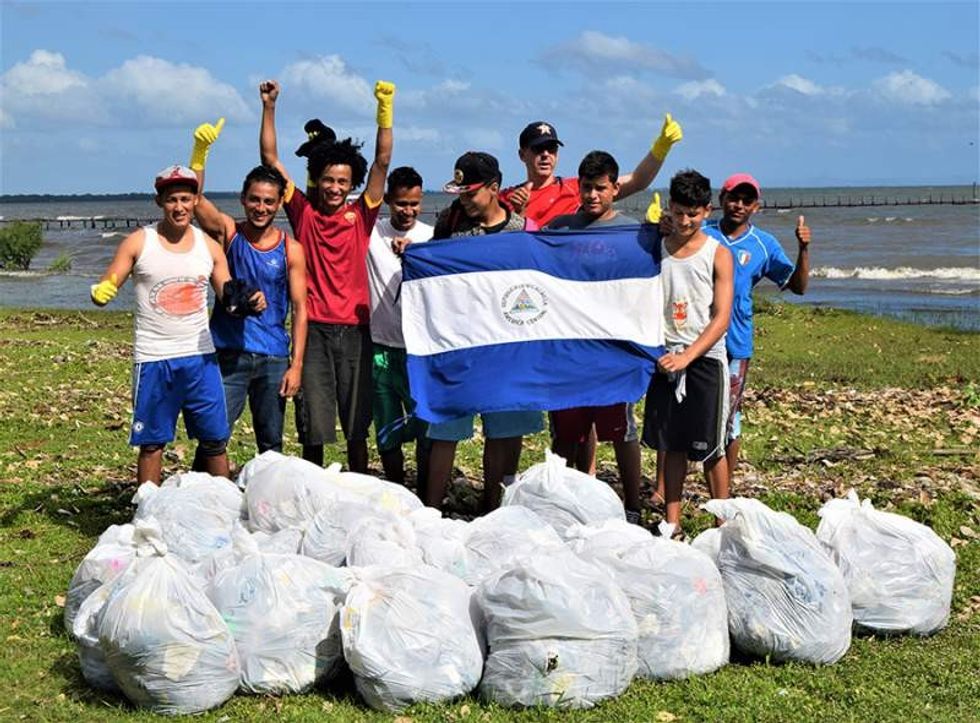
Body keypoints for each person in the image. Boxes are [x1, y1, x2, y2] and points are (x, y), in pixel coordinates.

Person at [500, 115, 683, 473]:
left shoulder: (578, 187)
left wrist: (660, 148)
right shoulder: (511, 198)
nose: (545, 156)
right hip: (549, 318)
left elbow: (637, 180)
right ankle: (551, 484)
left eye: (551, 149)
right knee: (557, 416)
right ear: (522, 154)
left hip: (599, 315)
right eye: (537, 150)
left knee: (606, 416)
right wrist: (514, 213)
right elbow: (497, 242)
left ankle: (593, 481)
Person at [89, 164, 266, 484]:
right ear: (160, 202)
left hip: (200, 358)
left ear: (196, 200)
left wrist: (249, 301)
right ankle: (146, 511)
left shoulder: (208, 247)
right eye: (172, 200)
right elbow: (110, 279)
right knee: (152, 443)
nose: (180, 207)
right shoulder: (139, 242)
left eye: (186, 199)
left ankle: (222, 508)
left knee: (215, 441)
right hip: (154, 358)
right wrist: (103, 291)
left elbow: (228, 294)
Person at [258, 78, 394, 472]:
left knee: (356, 425)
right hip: (314, 327)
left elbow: (383, 161)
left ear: (352, 184)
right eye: (329, 180)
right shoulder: (303, 211)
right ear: (319, 179)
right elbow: (270, 159)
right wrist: (269, 106)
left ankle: (360, 484)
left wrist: (384, 110)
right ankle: (311, 487)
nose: (335, 188)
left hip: (356, 328)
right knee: (314, 425)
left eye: (343, 181)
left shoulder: (362, 213)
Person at [425, 151, 543, 513]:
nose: (464, 199)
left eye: (470, 192)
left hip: (509, 348)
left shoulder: (524, 231)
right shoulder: (449, 224)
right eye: (459, 192)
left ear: (494, 189)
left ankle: (496, 507)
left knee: (506, 429)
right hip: (460, 346)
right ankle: (430, 508)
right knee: (446, 427)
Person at [186, 117, 309, 459]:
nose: (261, 208)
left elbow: (301, 310)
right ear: (243, 199)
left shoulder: (291, 249)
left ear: (280, 203)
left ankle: (266, 508)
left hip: (272, 356)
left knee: (271, 446)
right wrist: (199, 156)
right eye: (255, 200)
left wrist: (296, 365)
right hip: (228, 353)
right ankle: (204, 502)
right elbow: (193, 202)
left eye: (269, 202)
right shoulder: (229, 232)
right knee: (213, 437)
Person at [546, 151, 644, 523]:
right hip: (568, 349)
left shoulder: (634, 232)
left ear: (615, 188)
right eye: (586, 187)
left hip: (614, 350)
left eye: (600, 188)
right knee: (566, 431)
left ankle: (632, 505)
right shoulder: (558, 229)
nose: (592, 195)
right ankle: (563, 503)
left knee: (621, 430)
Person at [642, 169, 733, 534]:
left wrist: (688, 356)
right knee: (672, 445)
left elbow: (721, 318)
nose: (684, 221)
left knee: (711, 447)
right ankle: (672, 523)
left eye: (692, 214)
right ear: (669, 208)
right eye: (678, 212)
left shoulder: (717, 254)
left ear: (707, 211)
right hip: (666, 357)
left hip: (705, 359)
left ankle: (723, 524)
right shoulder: (656, 246)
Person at [704, 173, 811, 475]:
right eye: (733, 198)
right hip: (696, 338)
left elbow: (798, 287)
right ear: (720, 200)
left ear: (756, 207)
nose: (738, 205)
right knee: (685, 412)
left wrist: (803, 250)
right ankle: (664, 490)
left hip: (736, 343)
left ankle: (726, 490)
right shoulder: (702, 233)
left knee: (730, 418)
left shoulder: (764, 245)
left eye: (746, 200)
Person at [367, 166, 433, 485]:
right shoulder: (371, 234)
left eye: (414, 204)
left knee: (425, 424)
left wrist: (417, 255)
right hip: (380, 347)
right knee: (386, 426)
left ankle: (422, 488)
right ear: (388, 201)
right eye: (401, 204)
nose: (408, 211)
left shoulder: (432, 238)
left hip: (418, 351)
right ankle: (395, 486)